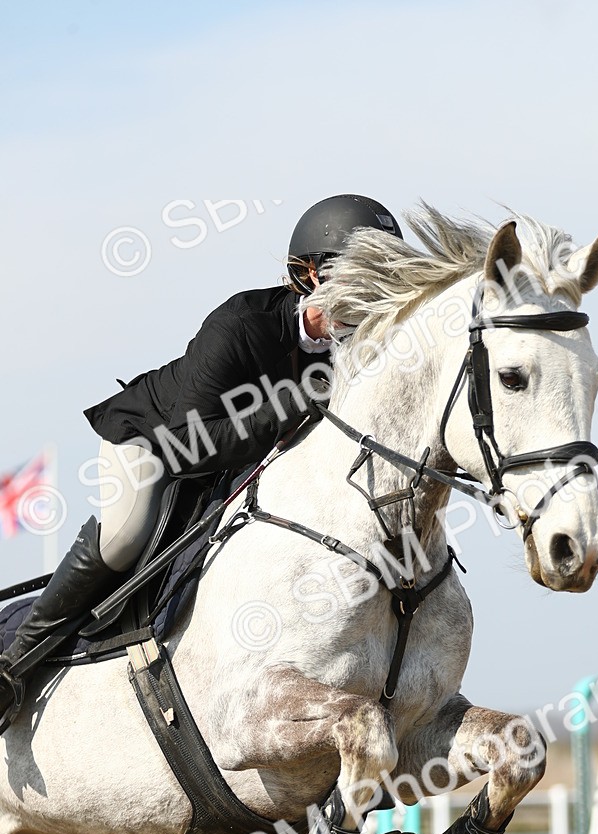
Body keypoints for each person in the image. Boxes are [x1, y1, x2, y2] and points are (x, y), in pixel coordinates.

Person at [0, 194, 403, 726]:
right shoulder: (241, 324)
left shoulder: (363, 350)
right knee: (125, 538)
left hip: (239, 460)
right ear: (309, 274)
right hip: (155, 441)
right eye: (359, 277)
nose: (374, 297)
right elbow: (188, 448)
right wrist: (293, 403)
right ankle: (14, 663)